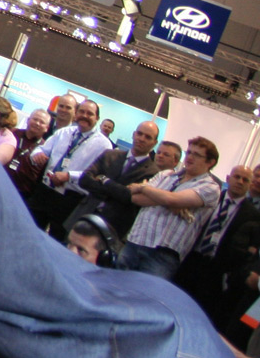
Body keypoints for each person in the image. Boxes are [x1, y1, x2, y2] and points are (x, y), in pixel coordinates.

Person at [119, 136, 223, 279]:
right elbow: (135, 197)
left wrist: (143, 187)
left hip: (162, 255)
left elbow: (171, 199)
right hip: (135, 241)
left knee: (145, 292)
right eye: (189, 152)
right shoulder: (166, 175)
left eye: (197, 155)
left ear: (210, 162)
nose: (190, 157)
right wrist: (170, 202)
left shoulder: (210, 187)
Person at [27, 98, 112, 240]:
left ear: (97, 118)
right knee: (29, 233)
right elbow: (42, 149)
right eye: (82, 112)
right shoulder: (64, 132)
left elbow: (96, 175)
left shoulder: (104, 145)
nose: (84, 116)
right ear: (76, 113)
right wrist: (38, 154)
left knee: (57, 241)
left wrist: (68, 176)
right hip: (45, 191)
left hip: (70, 199)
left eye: (90, 113)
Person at [176, 165, 255, 313]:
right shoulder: (210, 197)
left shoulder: (252, 214)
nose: (240, 181)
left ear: (250, 185)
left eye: (245, 180)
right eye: (237, 177)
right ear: (228, 178)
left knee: (200, 311)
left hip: (217, 270)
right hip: (191, 258)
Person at [64, 120, 162, 237]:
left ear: (154, 143)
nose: (141, 139)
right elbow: (84, 180)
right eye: (139, 134)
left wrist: (104, 180)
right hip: (84, 215)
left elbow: (128, 197)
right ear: (133, 134)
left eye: (148, 137)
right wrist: (117, 192)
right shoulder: (110, 155)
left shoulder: (153, 173)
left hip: (112, 228)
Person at [7, 108, 50, 198]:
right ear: (28, 120)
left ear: (47, 128)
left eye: (42, 122)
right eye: (35, 119)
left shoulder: (46, 149)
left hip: (21, 195)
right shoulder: (12, 133)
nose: (37, 123)